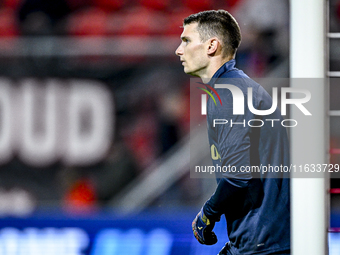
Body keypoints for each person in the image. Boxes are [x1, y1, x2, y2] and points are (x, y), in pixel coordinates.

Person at [175, 10, 290, 255]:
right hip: (264, 238)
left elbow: (238, 175)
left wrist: (208, 213)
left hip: (263, 243)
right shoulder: (236, 87)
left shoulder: (229, 94)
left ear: (211, 46)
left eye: (186, 41)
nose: (179, 50)